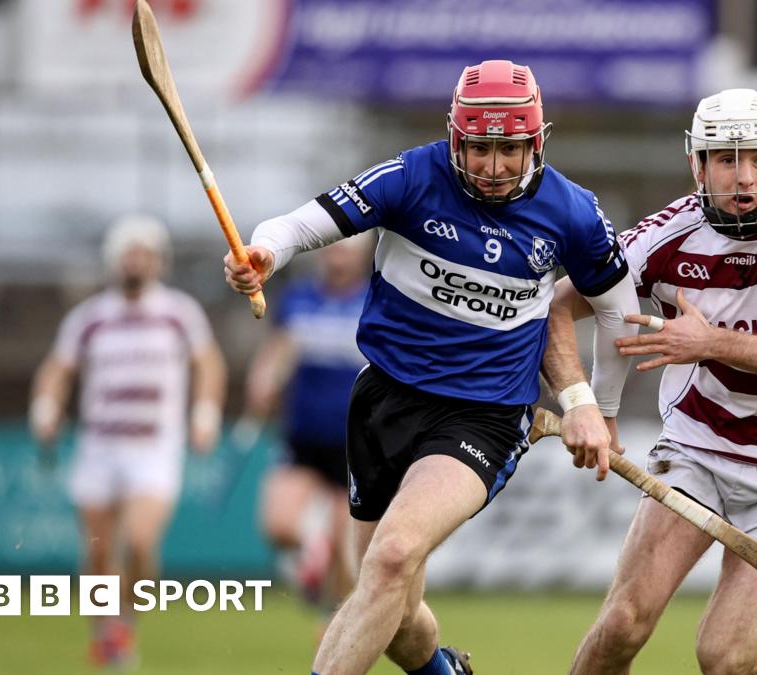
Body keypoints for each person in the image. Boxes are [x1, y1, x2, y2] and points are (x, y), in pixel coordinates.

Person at [222, 59, 639, 675]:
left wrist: (597, 410)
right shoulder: (412, 176)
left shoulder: (571, 213)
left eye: (510, 151)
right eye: (478, 150)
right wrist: (266, 253)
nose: (494, 168)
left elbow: (618, 311)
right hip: (383, 400)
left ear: (537, 142)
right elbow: (302, 225)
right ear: (454, 138)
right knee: (390, 605)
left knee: (390, 559)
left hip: (486, 415)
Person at [543, 88, 757, 675]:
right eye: (726, 159)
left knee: (722, 656)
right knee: (621, 624)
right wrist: (586, 404)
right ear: (696, 163)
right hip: (698, 448)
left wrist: (710, 341)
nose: (744, 178)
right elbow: (557, 306)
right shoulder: (666, 236)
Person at [29, 213, 226, 668]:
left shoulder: (179, 313)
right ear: (114, 260)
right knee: (98, 549)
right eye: (129, 253)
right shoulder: (90, 318)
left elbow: (209, 365)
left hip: (154, 447)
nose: (137, 262)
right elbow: (57, 370)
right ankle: (105, 632)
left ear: (159, 261)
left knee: (138, 541)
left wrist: (205, 413)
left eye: (146, 254)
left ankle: (125, 624)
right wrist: (45, 409)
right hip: (99, 446)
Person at [244, 233, 373, 613]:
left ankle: (330, 631)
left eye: (346, 253)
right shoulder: (300, 298)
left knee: (347, 555)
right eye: (333, 250)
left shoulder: (375, 300)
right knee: (279, 525)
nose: (338, 259)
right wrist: (264, 380)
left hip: (356, 442)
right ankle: (312, 548)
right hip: (303, 435)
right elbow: (278, 351)